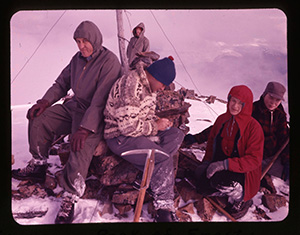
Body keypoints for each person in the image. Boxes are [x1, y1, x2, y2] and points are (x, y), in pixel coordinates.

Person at [11, 21, 122, 224]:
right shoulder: (77, 59)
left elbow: (100, 101)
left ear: (95, 39)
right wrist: (45, 101)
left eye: (85, 41)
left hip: (96, 114)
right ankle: (38, 164)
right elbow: (62, 82)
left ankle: (70, 197)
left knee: (80, 146)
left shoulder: (109, 62)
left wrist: (84, 128)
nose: (81, 46)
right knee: (39, 118)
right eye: (78, 42)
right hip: (75, 106)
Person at [104, 56, 185, 222]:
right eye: (163, 84)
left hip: (138, 134)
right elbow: (127, 127)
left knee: (175, 135)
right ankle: (164, 208)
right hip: (120, 137)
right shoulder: (131, 85)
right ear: (155, 77)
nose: (163, 89)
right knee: (161, 158)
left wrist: (157, 122)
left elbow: (145, 115)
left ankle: (147, 175)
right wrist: (156, 127)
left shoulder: (150, 87)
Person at [194, 85, 264, 220]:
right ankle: (223, 190)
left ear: (246, 105)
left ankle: (241, 198)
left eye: (240, 103)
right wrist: (207, 163)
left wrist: (223, 165)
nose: (235, 106)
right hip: (220, 166)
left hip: (243, 172)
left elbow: (254, 160)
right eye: (233, 101)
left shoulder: (253, 127)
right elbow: (211, 144)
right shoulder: (222, 120)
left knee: (222, 182)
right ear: (228, 100)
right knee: (201, 183)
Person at [252, 81, 289, 181]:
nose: (273, 102)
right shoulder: (253, 110)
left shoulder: (280, 114)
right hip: (255, 157)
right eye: (271, 97)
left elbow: (284, 137)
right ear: (265, 94)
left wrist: (287, 160)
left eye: (278, 100)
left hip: (274, 156)